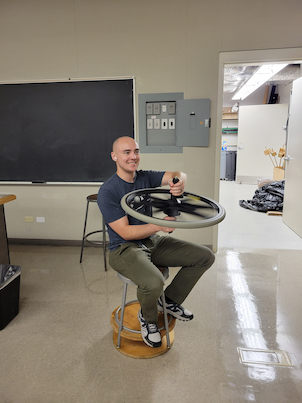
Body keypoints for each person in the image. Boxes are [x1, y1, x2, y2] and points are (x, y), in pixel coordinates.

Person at [97, 136, 215, 348]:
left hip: (151, 241)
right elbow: (125, 232)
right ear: (114, 156)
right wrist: (160, 225)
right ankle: (148, 319)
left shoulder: (145, 177)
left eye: (136, 151)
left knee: (204, 256)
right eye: (126, 152)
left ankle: (169, 302)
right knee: (153, 282)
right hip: (123, 249)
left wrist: (179, 183)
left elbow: (178, 174)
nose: (133, 157)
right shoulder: (108, 191)